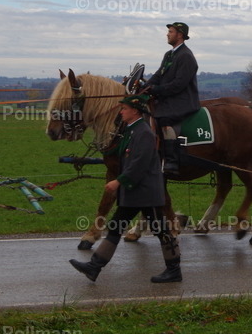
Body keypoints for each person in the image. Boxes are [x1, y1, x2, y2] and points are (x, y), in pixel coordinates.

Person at [69, 95, 182, 283]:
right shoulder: (131, 131)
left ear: (135, 111)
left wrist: (118, 181)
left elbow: (139, 163)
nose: (121, 111)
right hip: (134, 192)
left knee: (161, 231)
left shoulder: (144, 133)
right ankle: (94, 267)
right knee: (115, 227)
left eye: (124, 108)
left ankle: (174, 270)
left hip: (146, 193)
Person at [143, 22, 200, 174]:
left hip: (183, 101)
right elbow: (158, 75)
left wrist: (157, 90)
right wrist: (145, 87)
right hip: (169, 98)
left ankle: (172, 161)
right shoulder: (169, 55)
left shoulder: (186, 56)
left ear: (180, 35)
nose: (167, 34)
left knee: (164, 118)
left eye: (170, 31)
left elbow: (178, 85)